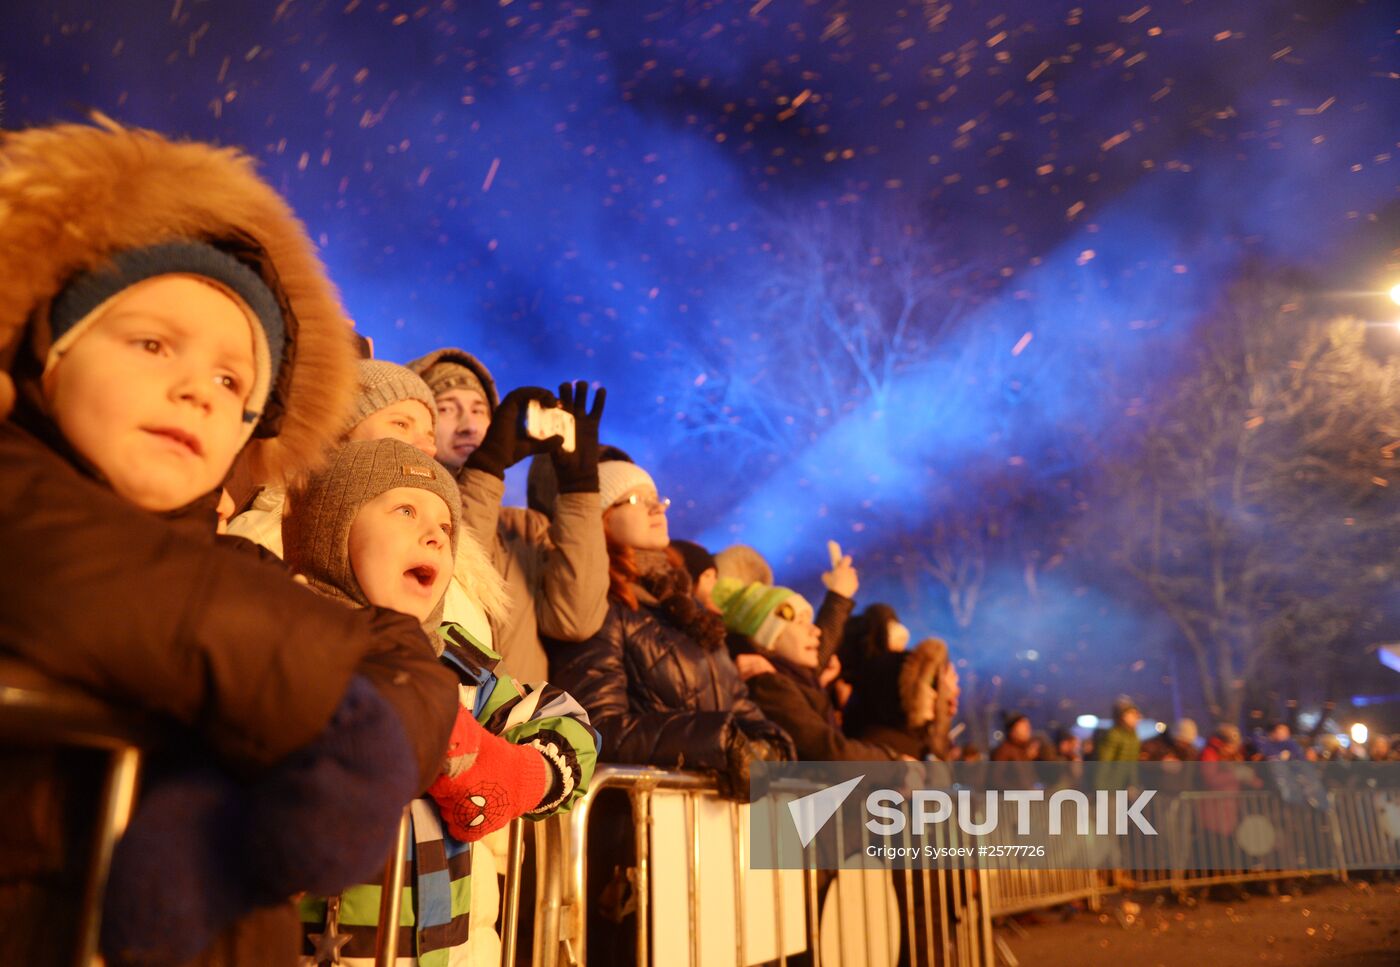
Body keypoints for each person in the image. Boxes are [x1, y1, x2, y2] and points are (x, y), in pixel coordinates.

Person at [0, 119, 458, 966]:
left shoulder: (242, 572)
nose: (197, 391)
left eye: (232, 380)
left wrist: (227, 814)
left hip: (762, 886)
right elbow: (71, 563)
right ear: (49, 350)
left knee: (790, 883)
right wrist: (331, 713)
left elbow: (404, 655)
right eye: (151, 342)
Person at [283, 438, 598, 965]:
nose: (433, 533)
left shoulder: (458, 666)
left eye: (446, 528)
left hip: (444, 953)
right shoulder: (287, 642)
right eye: (405, 511)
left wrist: (522, 772)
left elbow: (565, 720)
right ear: (331, 529)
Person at [546, 457, 794, 787]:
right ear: (600, 520)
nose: (656, 509)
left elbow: (739, 705)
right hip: (640, 822)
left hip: (704, 822)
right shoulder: (600, 607)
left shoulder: (684, 608)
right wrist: (716, 742)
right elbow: (595, 725)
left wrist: (770, 743)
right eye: (636, 500)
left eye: (657, 498)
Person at [229, 358, 508, 646]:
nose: (426, 447)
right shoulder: (277, 532)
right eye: (401, 424)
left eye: (429, 434)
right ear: (337, 432)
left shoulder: (449, 553)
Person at [408, 349, 609, 683]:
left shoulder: (524, 528)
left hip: (523, 731)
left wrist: (579, 490)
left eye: (479, 410)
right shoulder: (396, 518)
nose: (468, 426)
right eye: (445, 409)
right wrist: (485, 468)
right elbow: (452, 582)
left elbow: (576, 619)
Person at [714, 577, 902, 762]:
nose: (815, 631)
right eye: (801, 623)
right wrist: (893, 762)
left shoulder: (790, 679)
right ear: (769, 638)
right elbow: (828, 751)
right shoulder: (766, 683)